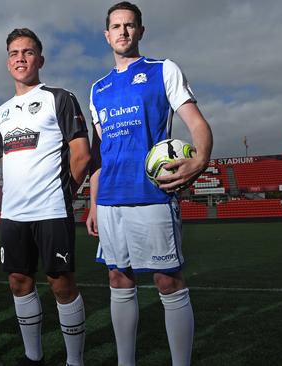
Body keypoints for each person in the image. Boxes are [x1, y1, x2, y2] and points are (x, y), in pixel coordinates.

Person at [86, 2, 213, 366]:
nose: (123, 32)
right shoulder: (98, 89)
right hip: (110, 199)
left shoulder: (163, 70)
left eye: (130, 25)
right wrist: (93, 203)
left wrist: (200, 158)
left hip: (152, 196)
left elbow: (197, 123)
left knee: (167, 281)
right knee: (117, 279)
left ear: (140, 31)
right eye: (116, 26)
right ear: (107, 35)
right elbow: (101, 152)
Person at [0, 28, 90, 366]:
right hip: (13, 214)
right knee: (19, 281)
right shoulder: (1, 112)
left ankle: (74, 361)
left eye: (28, 52)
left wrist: (64, 194)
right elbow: (4, 160)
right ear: (8, 63)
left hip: (51, 210)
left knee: (61, 284)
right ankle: (33, 357)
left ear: (40, 59)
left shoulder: (59, 97)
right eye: (15, 53)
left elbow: (81, 155)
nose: (21, 58)